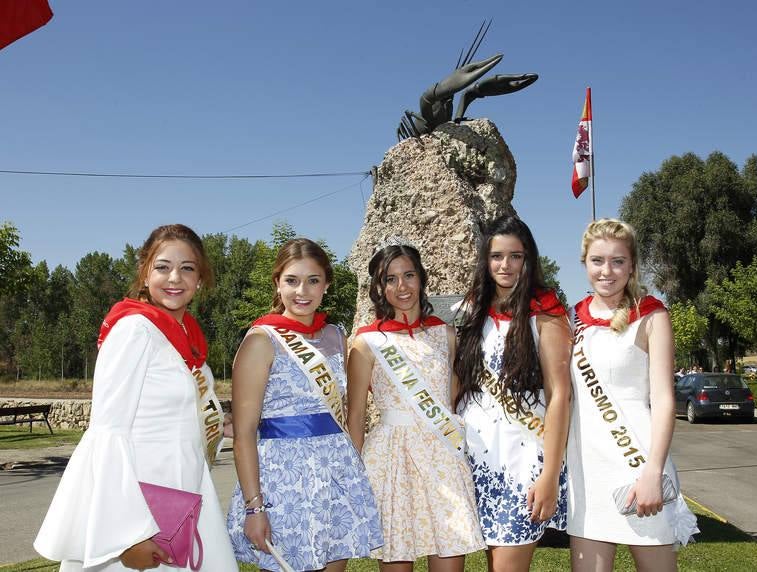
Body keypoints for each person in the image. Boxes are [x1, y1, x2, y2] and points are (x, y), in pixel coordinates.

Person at [34, 224, 237, 571]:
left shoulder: (187, 336)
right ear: (144, 274)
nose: (175, 277)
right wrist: (128, 534)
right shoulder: (134, 330)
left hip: (183, 491)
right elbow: (107, 432)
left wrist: (224, 426)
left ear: (200, 279)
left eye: (188, 268)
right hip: (143, 504)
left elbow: (177, 414)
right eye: (162, 266)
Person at [226, 238, 383, 571]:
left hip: (333, 476)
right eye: (292, 280)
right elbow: (243, 434)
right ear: (277, 283)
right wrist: (255, 508)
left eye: (313, 280)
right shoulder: (260, 340)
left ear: (326, 284)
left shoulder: (336, 336)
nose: (302, 291)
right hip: (284, 480)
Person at [567, 218, 698, 571]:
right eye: (597, 261)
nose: (606, 271)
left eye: (617, 261)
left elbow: (664, 401)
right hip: (587, 471)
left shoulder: (651, 316)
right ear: (585, 264)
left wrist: (653, 472)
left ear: (632, 266)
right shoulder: (570, 321)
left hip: (638, 462)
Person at [347, 239, 486, 571]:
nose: (402, 286)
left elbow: (452, 399)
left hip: (441, 456)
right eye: (390, 279)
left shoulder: (446, 334)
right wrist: (353, 479)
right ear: (379, 288)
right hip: (393, 458)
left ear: (422, 279)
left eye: (408, 275)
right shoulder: (366, 342)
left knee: (450, 554)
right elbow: (355, 416)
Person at [453, 215, 571, 572]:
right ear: (485, 261)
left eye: (515, 256)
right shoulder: (474, 310)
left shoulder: (545, 313)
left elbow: (560, 396)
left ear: (528, 259)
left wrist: (549, 475)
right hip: (476, 456)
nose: (505, 265)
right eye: (497, 256)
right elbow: (460, 379)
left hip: (523, 462)